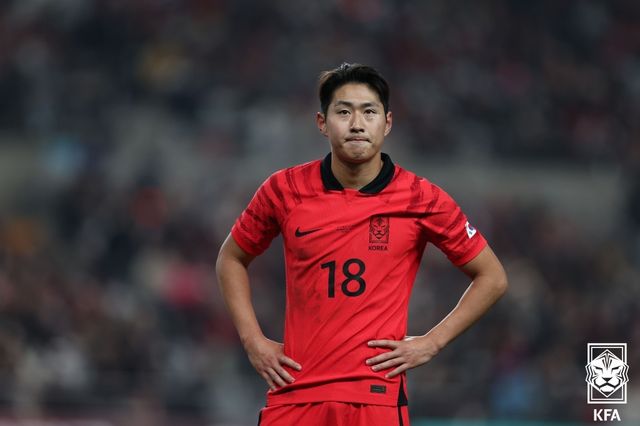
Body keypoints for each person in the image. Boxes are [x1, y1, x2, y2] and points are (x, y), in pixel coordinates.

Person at [216, 63, 508, 426]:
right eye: (343, 112)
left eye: (369, 112)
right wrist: (253, 341)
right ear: (322, 123)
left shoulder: (422, 198)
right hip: (294, 392)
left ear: (387, 123)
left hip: (374, 398)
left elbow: (492, 277)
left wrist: (432, 342)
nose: (357, 124)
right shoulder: (284, 189)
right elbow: (231, 258)